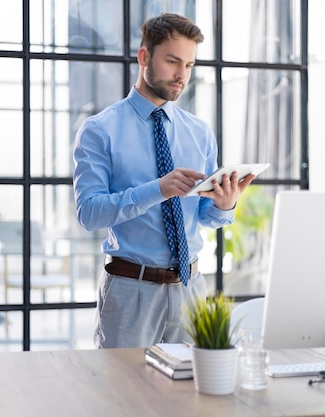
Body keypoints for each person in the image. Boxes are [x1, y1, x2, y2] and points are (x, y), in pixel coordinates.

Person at [73, 13, 255, 349]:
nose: (181, 75)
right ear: (144, 57)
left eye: (188, 65)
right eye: (172, 61)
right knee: (124, 396)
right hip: (131, 291)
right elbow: (89, 213)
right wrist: (157, 189)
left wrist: (224, 205)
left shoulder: (199, 132)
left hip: (191, 287)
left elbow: (205, 216)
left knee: (190, 397)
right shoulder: (101, 130)